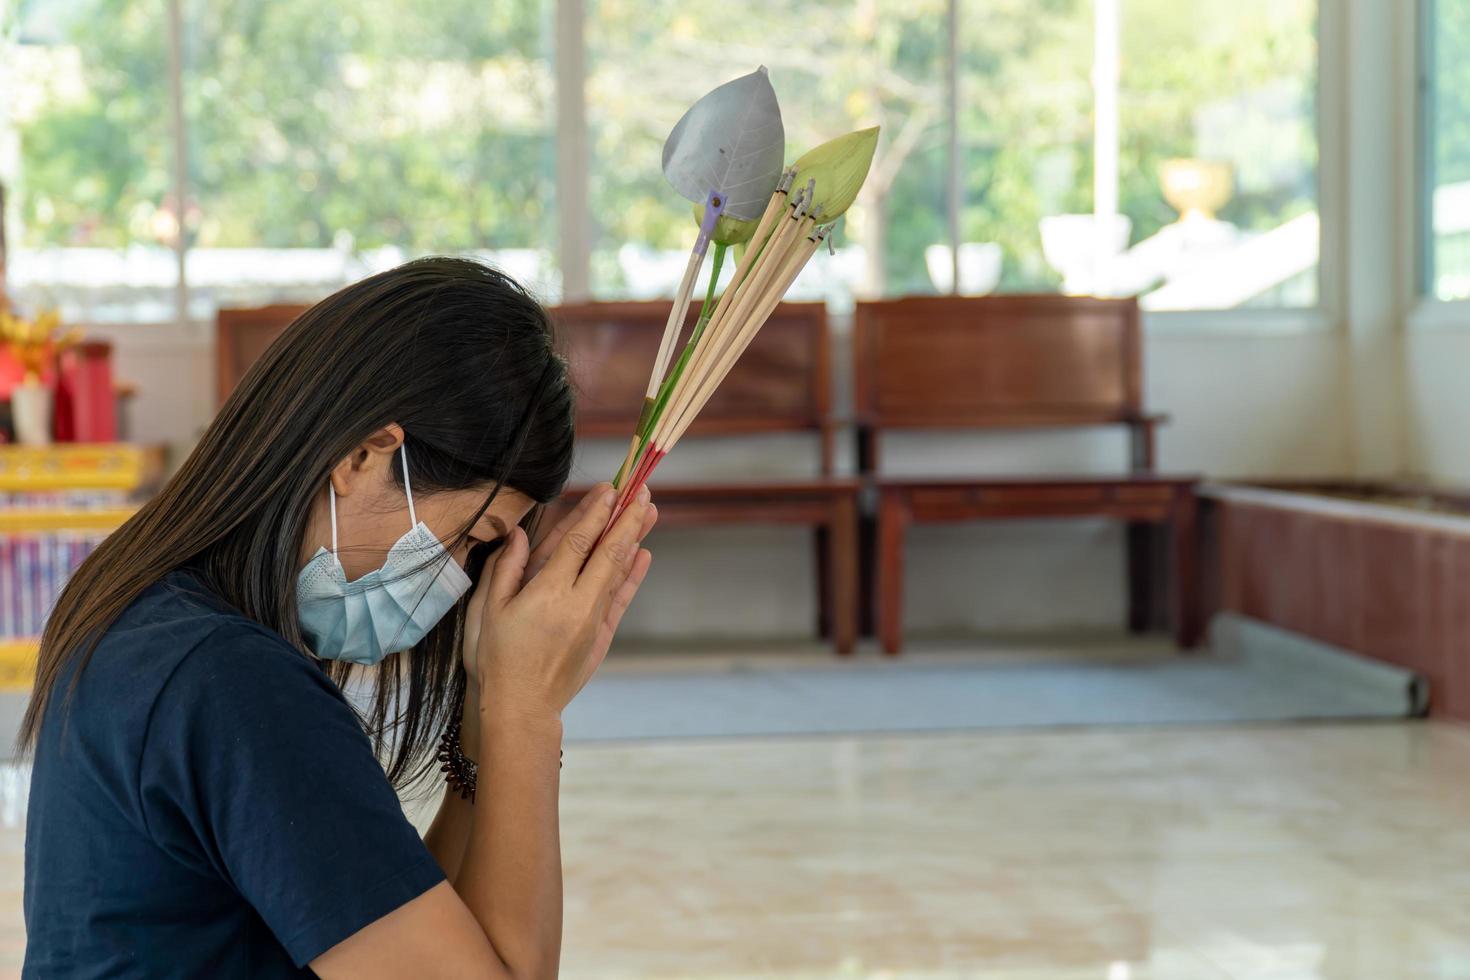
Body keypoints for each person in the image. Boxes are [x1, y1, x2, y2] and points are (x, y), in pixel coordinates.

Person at [19, 257, 657, 979]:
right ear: (362, 455)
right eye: (472, 540)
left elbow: (420, 928)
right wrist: (527, 712)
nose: (459, 583)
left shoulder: (154, 611)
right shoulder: (234, 685)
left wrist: (487, 703)